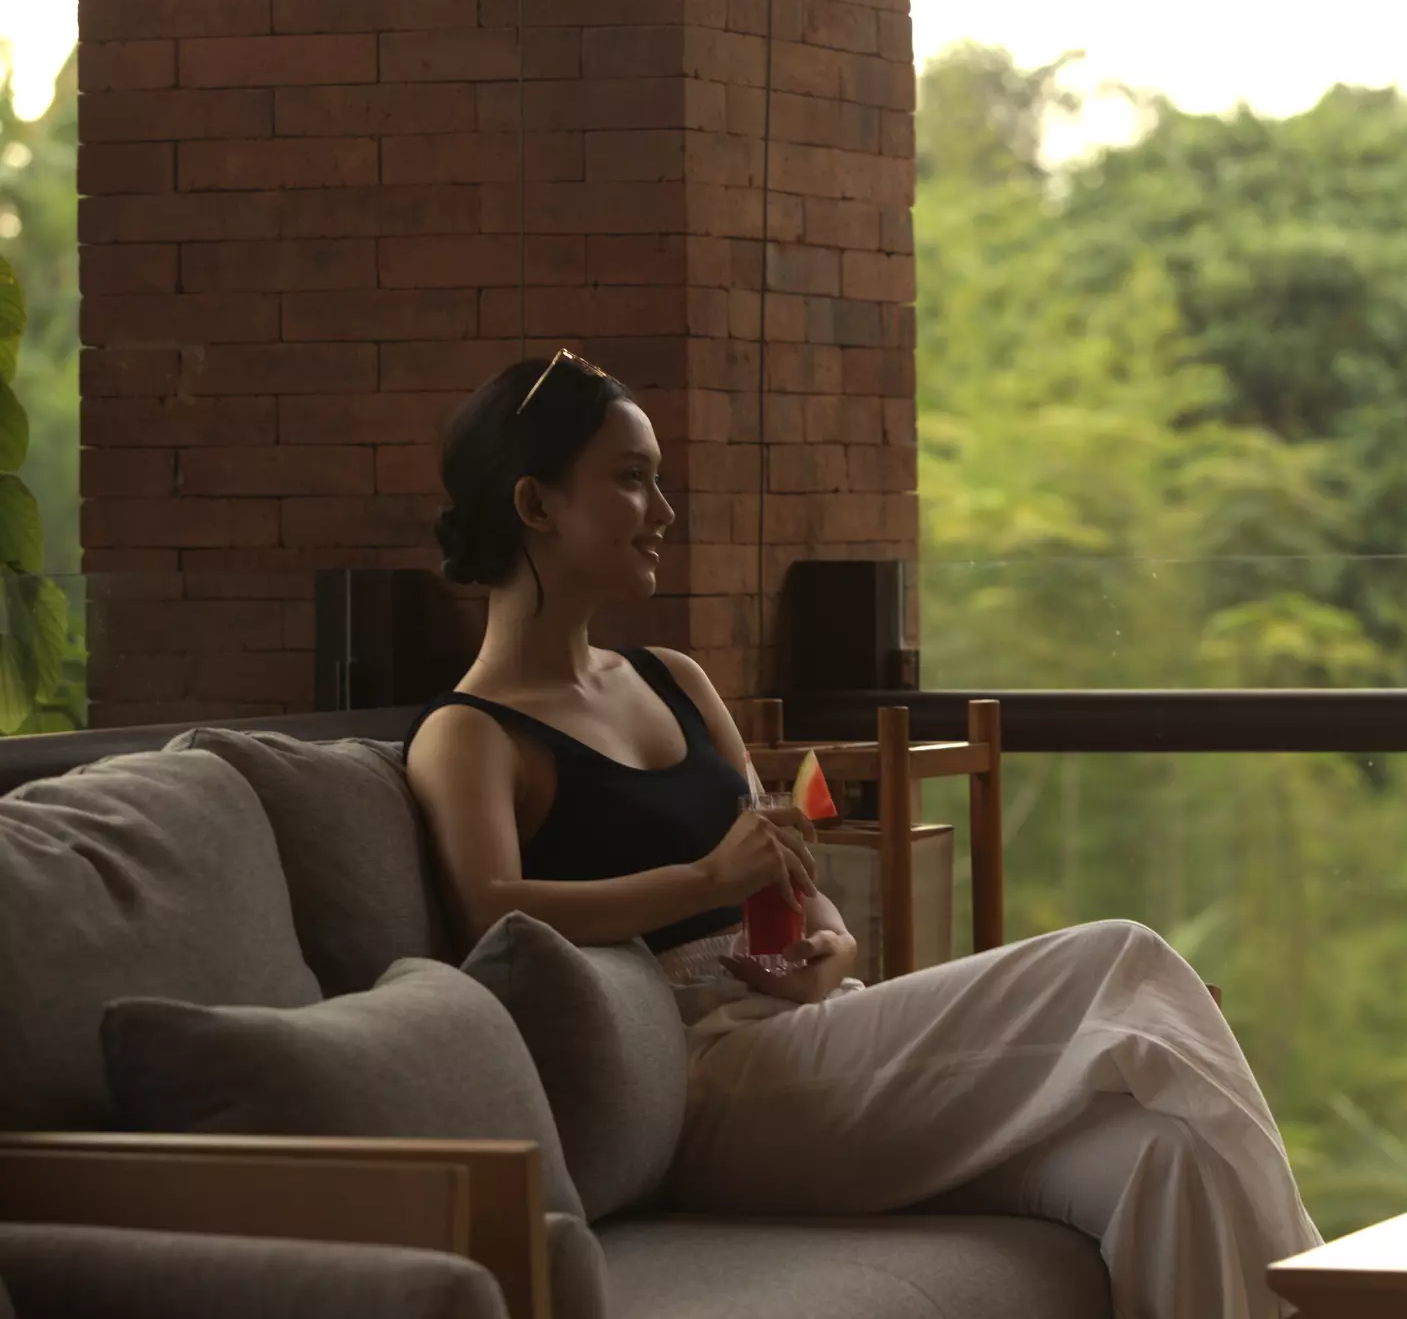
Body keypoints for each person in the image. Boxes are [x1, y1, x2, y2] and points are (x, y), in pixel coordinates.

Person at [402, 350, 1324, 1319]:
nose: (665, 512)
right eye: (632, 480)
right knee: (1123, 967)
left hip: (804, 1027)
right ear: (536, 506)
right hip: (697, 1084)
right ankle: (1338, 1300)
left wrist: (828, 941)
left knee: (1163, 1159)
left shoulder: (672, 678)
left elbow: (787, 868)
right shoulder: (471, 733)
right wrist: (702, 877)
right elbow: (488, 910)